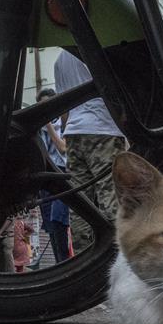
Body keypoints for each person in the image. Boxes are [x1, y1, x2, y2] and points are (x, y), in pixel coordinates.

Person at [52, 50, 125, 254]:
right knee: (110, 195)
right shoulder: (93, 48)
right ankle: (119, 255)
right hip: (103, 128)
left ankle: (85, 256)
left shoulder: (60, 61)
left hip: (74, 132)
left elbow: (63, 106)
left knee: (81, 205)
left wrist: (68, 136)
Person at [36, 88, 71, 264]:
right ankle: (59, 263)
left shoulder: (63, 122)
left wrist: (48, 125)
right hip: (46, 178)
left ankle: (65, 261)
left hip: (61, 174)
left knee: (58, 220)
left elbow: (63, 148)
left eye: (48, 105)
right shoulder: (38, 128)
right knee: (50, 227)